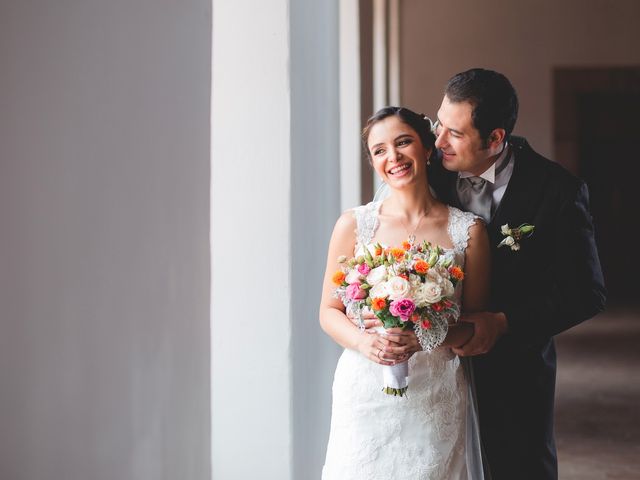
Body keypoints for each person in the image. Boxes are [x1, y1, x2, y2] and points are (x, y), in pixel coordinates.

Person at [427, 68, 606, 480]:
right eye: (440, 124)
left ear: (495, 139)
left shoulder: (557, 190)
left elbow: (587, 292)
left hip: (515, 366)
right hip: (434, 362)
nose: (439, 142)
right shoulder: (428, 171)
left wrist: (505, 322)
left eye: (455, 133)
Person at [319, 107, 491, 479]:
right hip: (364, 389)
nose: (392, 157)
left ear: (427, 148)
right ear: (372, 162)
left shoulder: (468, 231)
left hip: (435, 393)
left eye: (403, 143)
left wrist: (427, 335)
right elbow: (329, 311)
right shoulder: (354, 224)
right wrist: (364, 343)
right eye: (379, 150)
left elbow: (473, 330)